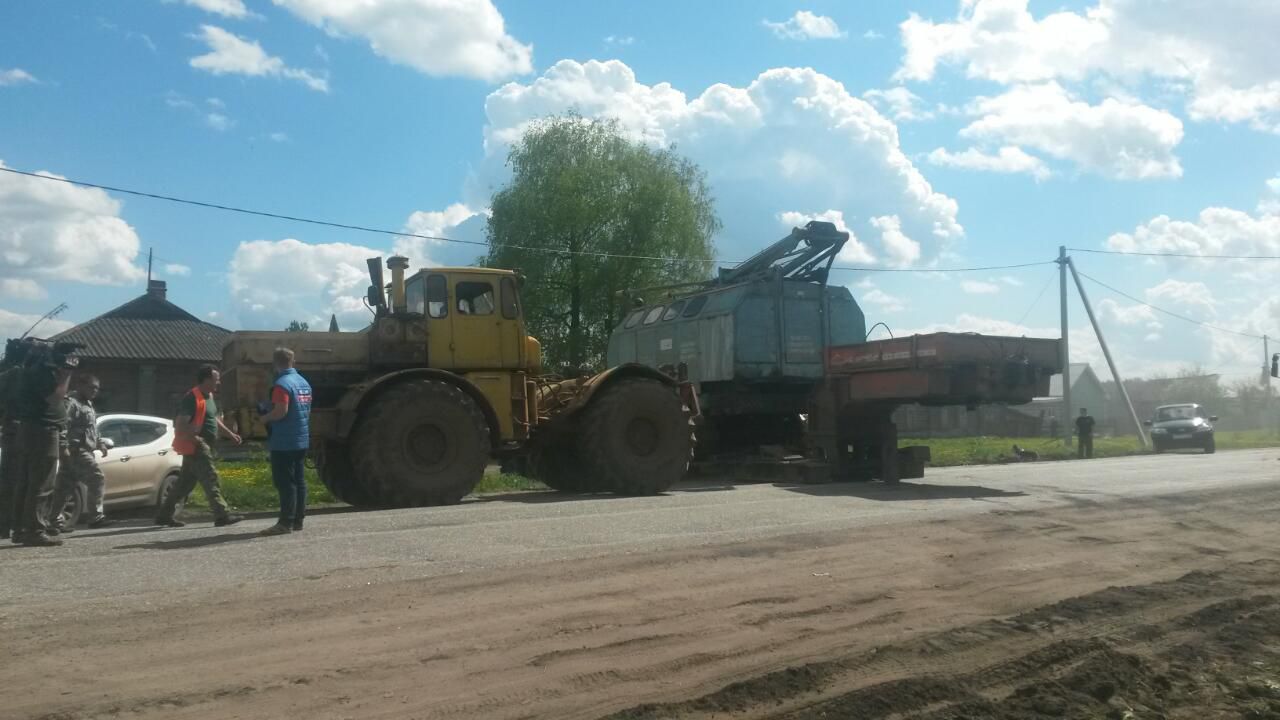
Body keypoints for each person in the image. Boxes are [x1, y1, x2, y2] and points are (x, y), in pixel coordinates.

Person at [155, 364, 244, 528]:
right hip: (197, 446)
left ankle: (164, 515)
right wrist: (197, 440)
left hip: (202, 445)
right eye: (216, 380)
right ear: (206, 379)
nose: (218, 383)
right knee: (211, 478)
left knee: (184, 484)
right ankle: (222, 514)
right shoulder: (192, 397)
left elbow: (214, 419)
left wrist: (230, 434)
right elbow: (180, 424)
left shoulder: (208, 396)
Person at [10, 352, 73, 546]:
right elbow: (55, 398)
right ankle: (35, 530)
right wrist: (65, 375)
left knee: (27, 482)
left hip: (30, 429)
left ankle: (21, 529)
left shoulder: (26, 372)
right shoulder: (41, 374)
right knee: (42, 482)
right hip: (43, 431)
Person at [258, 347, 312, 536]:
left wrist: (265, 418)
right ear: (292, 361)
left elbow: (281, 411)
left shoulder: (282, 384)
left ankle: (285, 522)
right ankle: (298, 520)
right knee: (299, 480)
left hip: (284, 441)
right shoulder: (303, 382)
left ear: (275, 364)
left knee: (285, 482)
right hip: (302, 438)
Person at [50, 374, 113, 530]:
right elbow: (62, 425)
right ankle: (95, 517)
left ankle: (53, 520)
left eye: (97, 388)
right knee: (97, 478)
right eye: (91, 387)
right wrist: (63, 446)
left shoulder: (88, 404)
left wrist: (100, 443)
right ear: (80, 385)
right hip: (76, 450)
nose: (95, 391)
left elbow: (92, 427)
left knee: (65, 486)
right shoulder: (72, 403)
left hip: (85, 449)